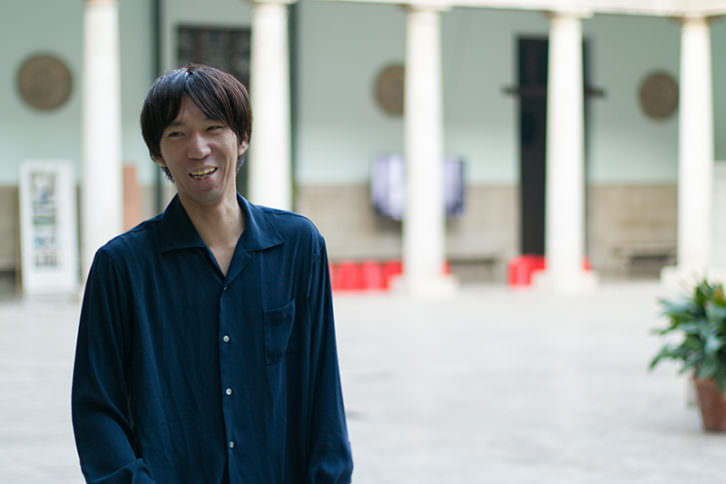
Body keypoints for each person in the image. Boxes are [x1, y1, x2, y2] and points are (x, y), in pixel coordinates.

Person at [71, 64, 353, 484]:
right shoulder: (122, 266)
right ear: (156, 152)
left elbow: (322, 391)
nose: (197, 148)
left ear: (242, 139)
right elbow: (97, 409)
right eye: (176, 134)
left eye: (213, 127)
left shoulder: (298, 247)